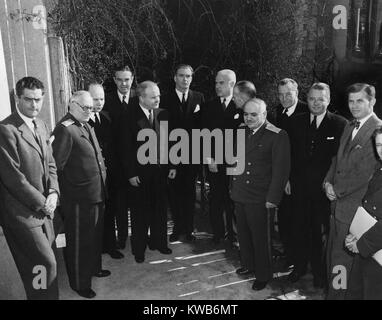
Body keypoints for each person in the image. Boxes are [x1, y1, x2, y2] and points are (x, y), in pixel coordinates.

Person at [0, 76, 59, 299]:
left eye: (38, 100)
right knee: (44, 264)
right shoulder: (6, 130)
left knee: (43, 268)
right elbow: (13, 178)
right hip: (22, 215)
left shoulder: (42, 125)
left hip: (45, 212)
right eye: (28, 100)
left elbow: (51, 164)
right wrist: (44, 203)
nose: (34, 105)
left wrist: (53, 191)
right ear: (17, 98)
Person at [324, 83, 382, 299]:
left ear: (372, 102)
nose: (354, 106)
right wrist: (327, 182)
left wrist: (336, 190)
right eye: (351, 101)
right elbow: (336, 160)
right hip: (337, 206)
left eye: (360, 101)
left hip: (354, 211)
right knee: (333, 259)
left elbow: (364, 174)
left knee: (343, 265)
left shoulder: (378, 130)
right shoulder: (349, 126)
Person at [288, 83, 347, 287]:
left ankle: (320, 275)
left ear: (328, 100)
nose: (315, 103)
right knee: (298, 229)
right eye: (312, 98)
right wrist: (287, 179)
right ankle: (299, 267)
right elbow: (289, 155)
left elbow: (340, 160)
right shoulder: (295, 122)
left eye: (320, 99)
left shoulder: (340, 124)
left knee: (320, 234)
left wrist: (332, 185)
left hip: (323, 191)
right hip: (298, 188)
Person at [52, 91, 110, 299]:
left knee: (94, 237)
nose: (88, 111)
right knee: (79, 242)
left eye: (90, 107)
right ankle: (79, 282)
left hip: (95, 194)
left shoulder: (84, 124)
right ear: (72, 105)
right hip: (78, 198)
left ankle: (94, 268)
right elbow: (55, 167)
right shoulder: (65, 129)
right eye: (84, 107)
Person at [230, 98, 290, 290]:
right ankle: (248, 265)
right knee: (244, 234)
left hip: (260, 196)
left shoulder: (277, 135)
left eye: (254, 114)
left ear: (264, 115)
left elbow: (281, 171)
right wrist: (232, 187)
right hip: (240, 193)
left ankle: (263, 274)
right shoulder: (240, 131)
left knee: (260, 238)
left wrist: (273, 199)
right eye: (246, 114)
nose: (249, 118)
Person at [122, 81, 176, 263]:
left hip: (160, 172)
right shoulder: (129, 116)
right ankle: (139, 249)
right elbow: (126, 148)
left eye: (159, 96)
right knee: (140, 212)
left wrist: (172, 166)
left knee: (160, 210)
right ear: (142, 98)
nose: (157, 99)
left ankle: (159, 242)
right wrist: (130, 173)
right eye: (153, 97)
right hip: (139, 174)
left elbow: (170, 143)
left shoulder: (163, 115)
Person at [160, 64, 205, 243]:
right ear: (175, 77)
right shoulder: (164, 99)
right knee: (174, 194)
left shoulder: (199, 97)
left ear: (191, 78)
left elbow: (202, 127)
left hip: (193, 155)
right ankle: (177, 228)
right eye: (181, 76)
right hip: (172, 155)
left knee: (190, 193)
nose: (185, 79)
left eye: (188, 76)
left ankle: (189, 228)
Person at [201, 69, 242, 245]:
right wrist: (208, 158)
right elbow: (203, 134)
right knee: (216, 199)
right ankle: (218, 234)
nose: (217, 86)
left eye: (221, 83)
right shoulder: (209, 106)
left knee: (234, 199)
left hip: (236, 163)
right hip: (215, 163)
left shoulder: (242, 106)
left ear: (232, 84)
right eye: (216, 83)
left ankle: (235, 236)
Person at [270, 78, 308, 268]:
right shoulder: (279, 111)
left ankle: (298, 262)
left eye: (288, 94)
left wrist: (290, 178)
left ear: (297, 92)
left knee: (297, 222)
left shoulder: (307, 112)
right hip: (281, 175)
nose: (284, 98)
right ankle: (289, 255)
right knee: (284, 219)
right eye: (281, 94)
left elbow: (303, 152)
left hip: (298, 179)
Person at [345, 126, 382, 300]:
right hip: (369, 248)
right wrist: (354, 235)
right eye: (379, 145)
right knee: (356, 291)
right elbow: (368, 207)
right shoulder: (379, 170)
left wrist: (361, 244)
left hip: (376, 252)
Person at [88, 83, 124, 259]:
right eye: (95, 99)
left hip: (110, 176)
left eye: (102, 98)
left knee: (110, 211)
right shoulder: (82, 121)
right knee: (96, 215)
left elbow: (115, 147)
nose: (99, 102)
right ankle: (97, 248)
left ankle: (110, 245)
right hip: (93, 178)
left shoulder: (107, 118)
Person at [103, 65, 136, 249]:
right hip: (115, 163)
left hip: (137, 161)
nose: (124, 83)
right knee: (120, 204)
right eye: (120, 79)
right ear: (114, 80)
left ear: (132, 79)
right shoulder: (106, 101)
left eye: (127, 79)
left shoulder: (139, 98)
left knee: (139, 203)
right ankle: (122, 238)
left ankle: (139, 237)